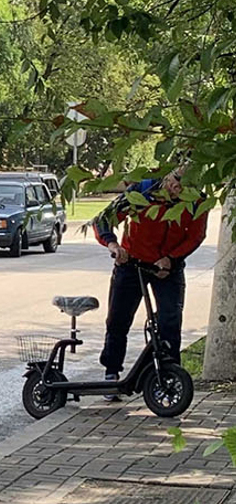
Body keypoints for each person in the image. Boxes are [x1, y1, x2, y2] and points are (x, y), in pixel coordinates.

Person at [94, 167, 207, 394]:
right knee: (118, 319)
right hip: (131, 263)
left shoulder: (196, 201)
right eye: (176, 179)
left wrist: (171, 260)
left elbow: (195, 236)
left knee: (169, 321)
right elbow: (103, 219)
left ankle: (167, 376)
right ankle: (111, 372)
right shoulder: (142, 192)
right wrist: (113, 245)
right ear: (167, 174)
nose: (179, 188)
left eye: (187, 184)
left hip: (167, 268)